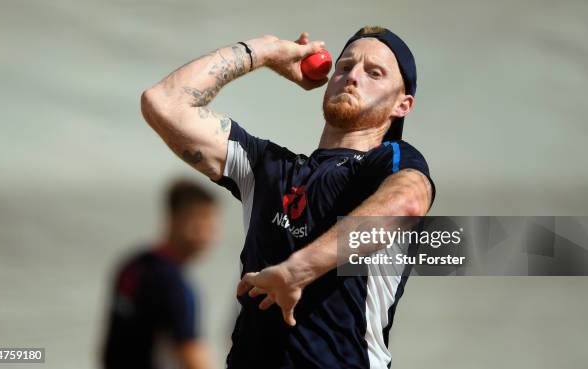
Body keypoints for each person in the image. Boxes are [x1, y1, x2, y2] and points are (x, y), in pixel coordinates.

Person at [140, 26, 434, 368]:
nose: (352, 76)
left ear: (403, 104)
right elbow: (162, 103)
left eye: (374, 73)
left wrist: (298, 271)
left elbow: (408, 202)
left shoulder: (389, 162)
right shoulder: (268, 168)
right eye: (344, 66)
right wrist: (265, 52)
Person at [102, 180, 218, 369]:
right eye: (199, 219)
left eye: (211, 222)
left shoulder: (131, 265)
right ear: (173, 218)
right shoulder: (173, 284)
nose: (206, 233)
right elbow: (193, 357)